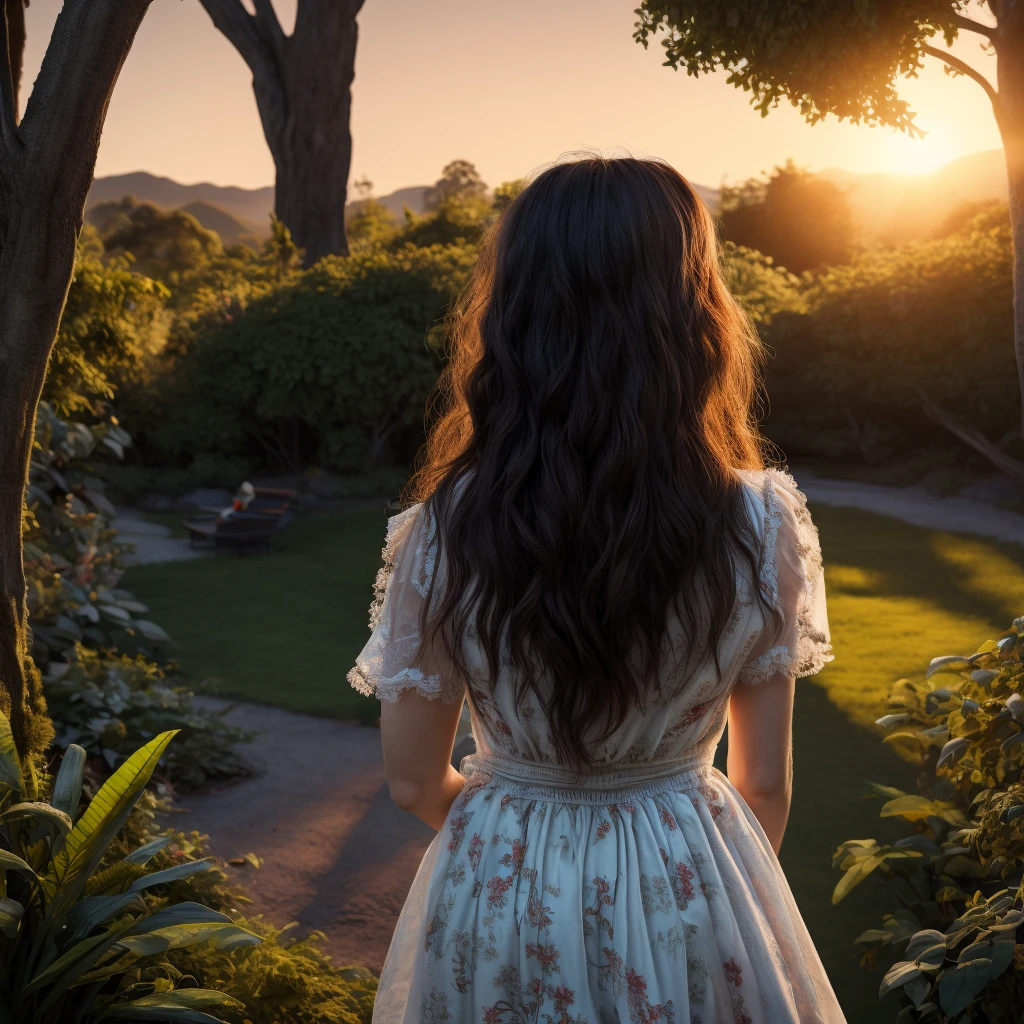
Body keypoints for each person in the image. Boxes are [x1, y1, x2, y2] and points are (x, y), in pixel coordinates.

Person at [348, 155, 844, 1023]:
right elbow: (763, 785)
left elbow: (413, 783)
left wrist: (530, 844)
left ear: (517, 310)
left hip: (500, 893)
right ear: (694, 307)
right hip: (694, 887)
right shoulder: (762, 526)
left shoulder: (445, 531)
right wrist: (680, 878)